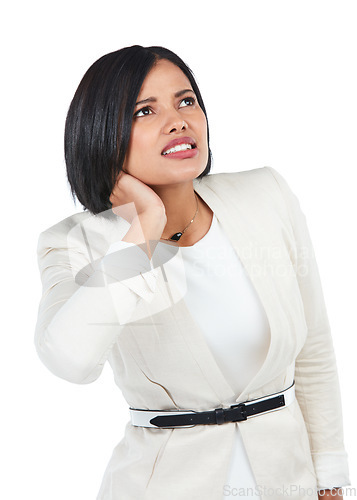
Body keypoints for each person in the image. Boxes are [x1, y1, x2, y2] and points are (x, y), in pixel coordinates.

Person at [34, 45, 350, 499]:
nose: (178, 120)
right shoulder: (74, 243)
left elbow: (315, 349)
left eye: (186, 101)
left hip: (288, 481)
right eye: (145, 110)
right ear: (102, 134)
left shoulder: (266, 195)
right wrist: (143, 229)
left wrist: (330, 476)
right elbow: (70, 361)